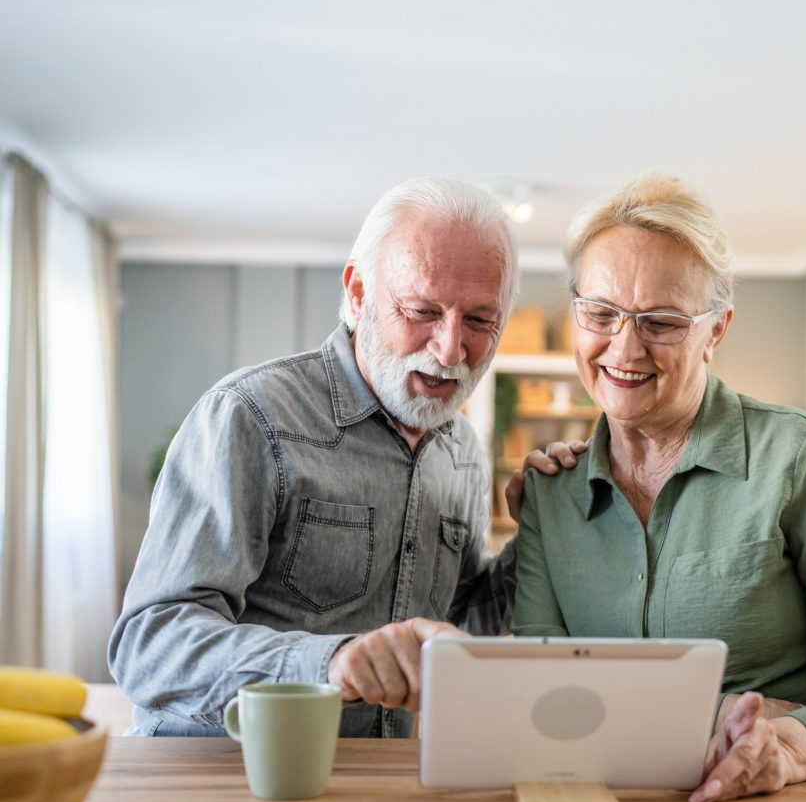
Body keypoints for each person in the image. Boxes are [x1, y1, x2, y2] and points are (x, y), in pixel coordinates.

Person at [512, 174, 806, 802]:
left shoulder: (797, 457)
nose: (624, 347)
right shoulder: (550, 495)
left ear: (715, 330)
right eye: (601, 313)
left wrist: (792, 742)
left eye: (660, 321)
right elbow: (539, 697)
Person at [111, 177, 535, 737]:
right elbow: (151, 644)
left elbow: (454, 628)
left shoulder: (462, 454)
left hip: (371, 794)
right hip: (223, 788)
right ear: (358, 294)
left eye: (479, 321)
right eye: (421, 310)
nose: (451, 348)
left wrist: (546, 530)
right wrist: (329, 664)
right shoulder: (250, 417)